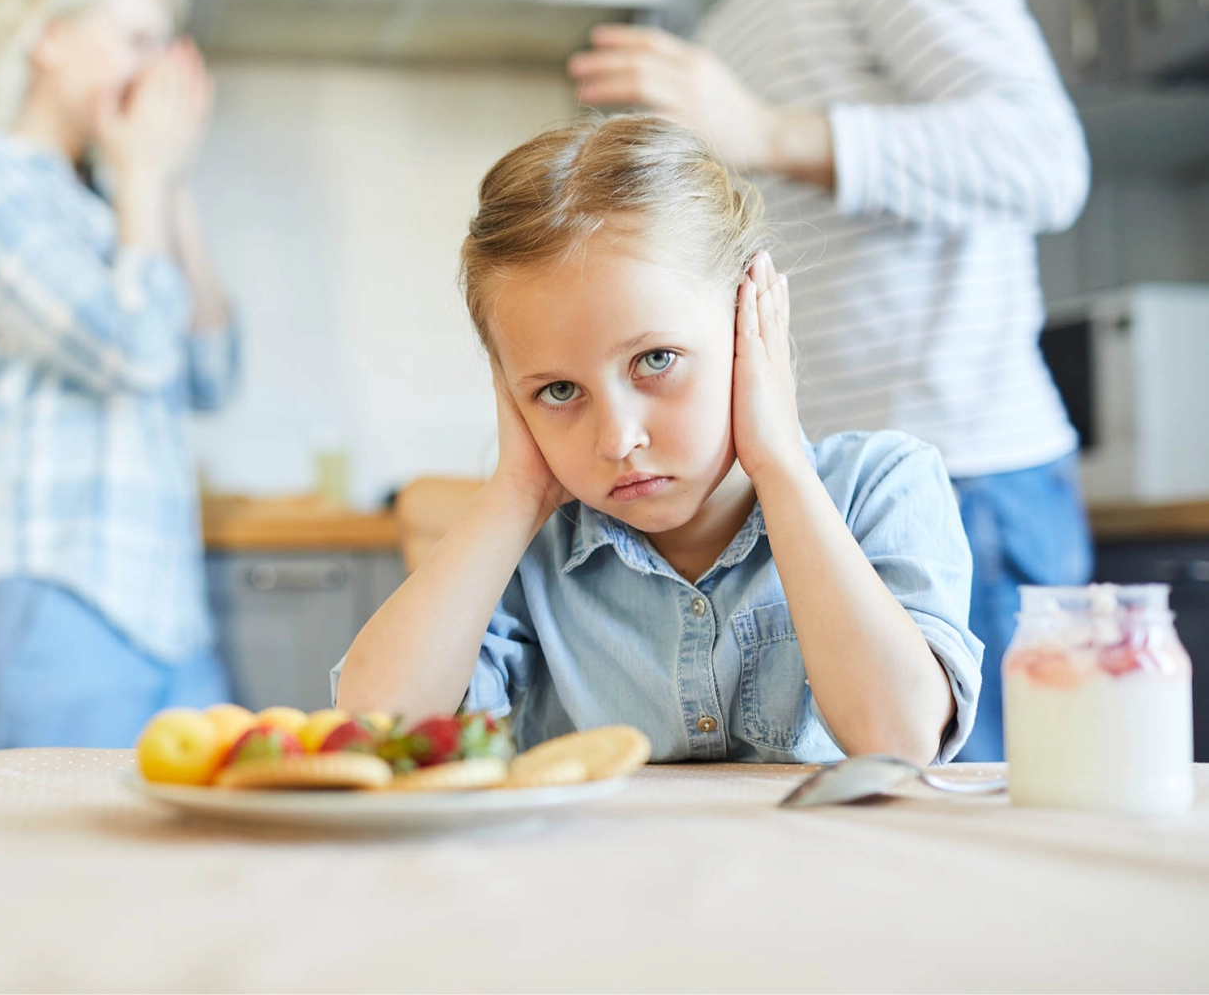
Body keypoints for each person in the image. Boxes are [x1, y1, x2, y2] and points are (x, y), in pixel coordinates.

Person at [569, 0, 1093, 760]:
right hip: (816, 492)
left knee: (971, 846)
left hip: (962, 482)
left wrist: (768, 131)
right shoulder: (733, 8)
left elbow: (1045, 159)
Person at [334, 115, 983, 765]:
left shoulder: (884, 485)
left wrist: (779, 464)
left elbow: (900, 739)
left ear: (747, 324)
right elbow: (376, 731)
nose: (617, 438)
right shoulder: (526, 554)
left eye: (655, 360)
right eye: (558, 391)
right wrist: (517, 489)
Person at [0, 0, 239, 755]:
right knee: (40, 882)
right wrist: (146, 180)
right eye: (136, 39)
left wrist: (165, 180)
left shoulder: (113, 206)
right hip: (46, 594)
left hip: (166, 615)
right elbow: (129, 351)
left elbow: (209, 369)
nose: (159, 67)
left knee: (182, 880)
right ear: (48, 34)